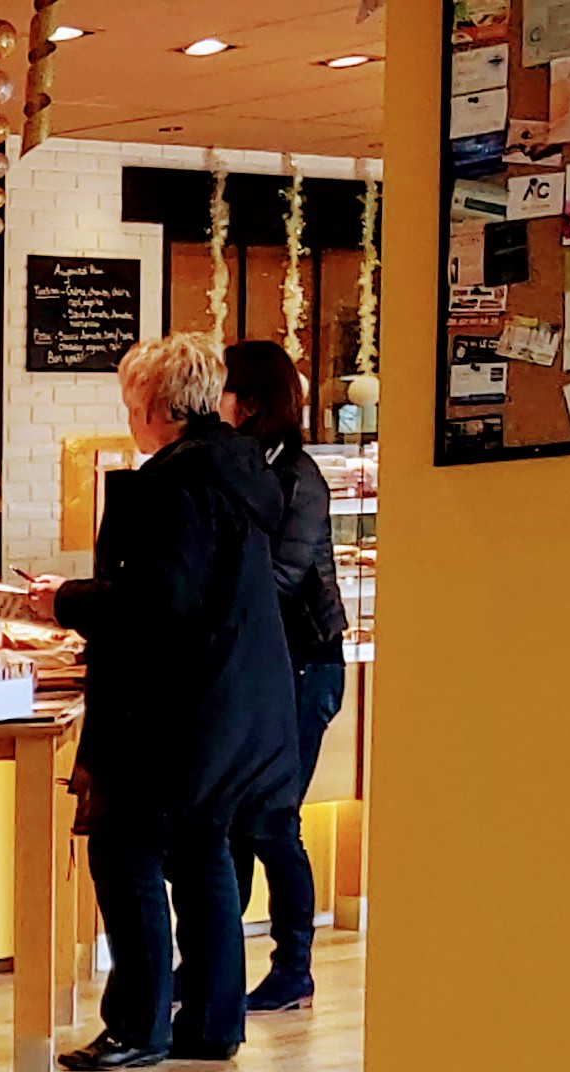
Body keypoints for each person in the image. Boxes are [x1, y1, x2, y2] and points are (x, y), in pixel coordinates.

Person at [48, 331, 296, 1071]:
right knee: (201, 852)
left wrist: (63, 600)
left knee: (124, 852)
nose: (129, 417)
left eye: (132, 404)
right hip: (229, 708)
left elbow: (160, 601)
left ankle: (137, 1026)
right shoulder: (240, 470)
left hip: (168, 713)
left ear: (156, 406)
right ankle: (214, 1024)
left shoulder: (171, 485)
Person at [221, 339, 349, 1013]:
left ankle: (293, 969)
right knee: (233, 820)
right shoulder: (247, 466)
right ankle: (213, 962)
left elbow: (282, 576)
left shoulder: (299, 477)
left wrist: (199, 605)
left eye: (222, 389)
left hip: (305, 665)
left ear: (247, 401)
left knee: (271, 821)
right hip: (262, 666)